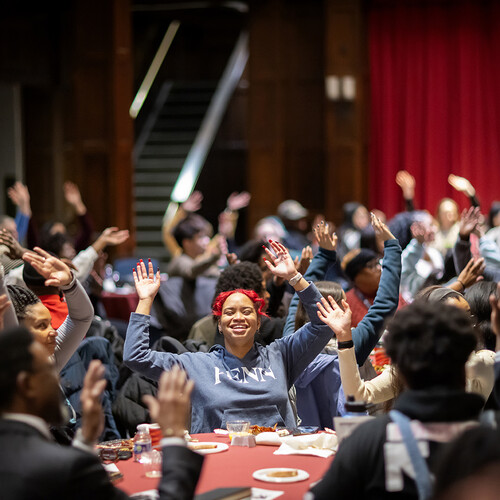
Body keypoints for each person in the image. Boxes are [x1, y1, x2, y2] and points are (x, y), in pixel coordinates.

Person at [124, 241, 335, 433]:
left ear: (259, 322)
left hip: (277, 454)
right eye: (229, 312)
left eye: (246, 311)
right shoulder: (195, 365)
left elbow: (324, 324)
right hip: (219, 458)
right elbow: (136, 356)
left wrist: (295, 278)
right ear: (220, 325)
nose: (238, 318)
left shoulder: (281, 355)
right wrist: (145, 300)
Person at [0, 325, 203, 500]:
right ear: (26, 385)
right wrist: (174, 437)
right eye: (49, 371)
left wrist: (85, 440)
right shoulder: (62, 468)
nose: (59, 380)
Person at [309, 302, 484, 500]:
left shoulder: (368, 441)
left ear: (400, 368)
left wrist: (344, 339)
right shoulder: (489, 444)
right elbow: (359, 393)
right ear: (465, 361)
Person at [338, 285, 495, 408]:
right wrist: (345, 340)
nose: (466, 325)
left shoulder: (484, 360)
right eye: (455, 319)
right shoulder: (410, 366)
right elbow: (357, 395)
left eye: (468, 316)